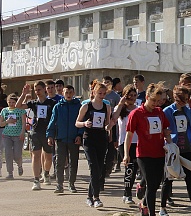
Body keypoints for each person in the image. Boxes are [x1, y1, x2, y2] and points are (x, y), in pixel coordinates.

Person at [123, 83, 172, 216]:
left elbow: (165, 130)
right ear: (146, 98)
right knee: (151, 183)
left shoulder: (159, 112)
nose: (156, 104)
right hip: (143, 154)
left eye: (158, 101)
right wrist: (126, 154)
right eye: (153, 100)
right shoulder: (136, 114)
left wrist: (171, 146)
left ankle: (143, 204)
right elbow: (129, 134)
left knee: (156, 184)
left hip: (159, 152)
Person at [163, 85, 191, 216]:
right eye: (182, 99)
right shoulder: (167, 111)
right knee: (169, 178)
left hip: (187, 147)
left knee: (190, 177)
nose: (185, 102)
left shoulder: (187, 110)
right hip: (173, 148)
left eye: (186, 99)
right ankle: (162, 207)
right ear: (175, 98)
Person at [76, 80, 111, 208]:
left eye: (103, 93)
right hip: (89, 138)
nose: (101, 96)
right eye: (99, 93)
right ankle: (96, 197)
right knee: (93, 167)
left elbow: (107, 124)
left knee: (99, 169)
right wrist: (85, 124)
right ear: (94, 92)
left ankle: (89, 196)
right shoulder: (86, 106)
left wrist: (109, 127)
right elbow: (77, 122)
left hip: (101, 138)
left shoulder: (106, 107)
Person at [16, 81, 56, 190]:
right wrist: (23, 94)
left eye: (39, 89)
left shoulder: (52, 103)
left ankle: (46, 173)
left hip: (48, 132)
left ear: (44, 89)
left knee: (48, 156)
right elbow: (18, 106)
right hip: (36, 131)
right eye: (35, 90)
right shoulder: (33, 103)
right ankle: (36, 179)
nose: (37, 92)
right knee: (36, 155)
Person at [47, 85, 83, 193]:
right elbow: (52, 121)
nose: (68, 95)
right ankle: (59, 184)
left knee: (73, 161)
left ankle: (71, 183)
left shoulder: (78, 106)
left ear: (74, 93)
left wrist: (79, 135)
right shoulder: (58, 106)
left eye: (70, 92)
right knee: (59, 162)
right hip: (61, 138)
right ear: (63, 93)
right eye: (66, 92)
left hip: (73, 138)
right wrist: (50, 135)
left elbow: (82, 120)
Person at [111, 84, 139, 204]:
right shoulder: (120, 109)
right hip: (124, 142)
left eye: (134, 95)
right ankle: (127, 194)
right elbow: (113, 119)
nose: (132, 98)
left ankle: (137, 188)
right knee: (129, 168)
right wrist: (121, 104)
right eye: (129, 96)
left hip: (137, 141)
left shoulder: (138, 109)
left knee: (137, 168)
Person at [0, 94, 27, 179]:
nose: (11, 104)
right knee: (8, 154)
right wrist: (7, 121)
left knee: (17, 155)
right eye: (9, 102)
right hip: (7, 135)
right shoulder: (4, 110)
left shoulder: (20, 110)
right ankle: (10, 172)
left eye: (13, 102)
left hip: (18, 135)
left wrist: (22, 133)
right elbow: (1, 124)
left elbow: (23, 123)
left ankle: (19, 165)